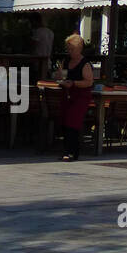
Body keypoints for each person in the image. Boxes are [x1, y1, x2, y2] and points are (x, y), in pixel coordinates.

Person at [58, 34, 95, 162]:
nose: (69, 51)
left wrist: (74, 83)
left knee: (73, 122)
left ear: (79, 49)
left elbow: (89, 82)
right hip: (67, 94)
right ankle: (67, 150)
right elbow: (62, 75)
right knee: (64, 122)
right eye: (68, 49)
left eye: (71, 49)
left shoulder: (85, 64)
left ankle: (72, 152)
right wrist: (62, 80)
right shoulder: (66, 61)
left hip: (80, 96)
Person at [30, 14, 55, 80]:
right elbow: (52, 47)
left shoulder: (38, 32)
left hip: (38, 61)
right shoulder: (50, 32)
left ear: (35, 21)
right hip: (48, 60)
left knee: (38, 81)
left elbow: (33, 45)